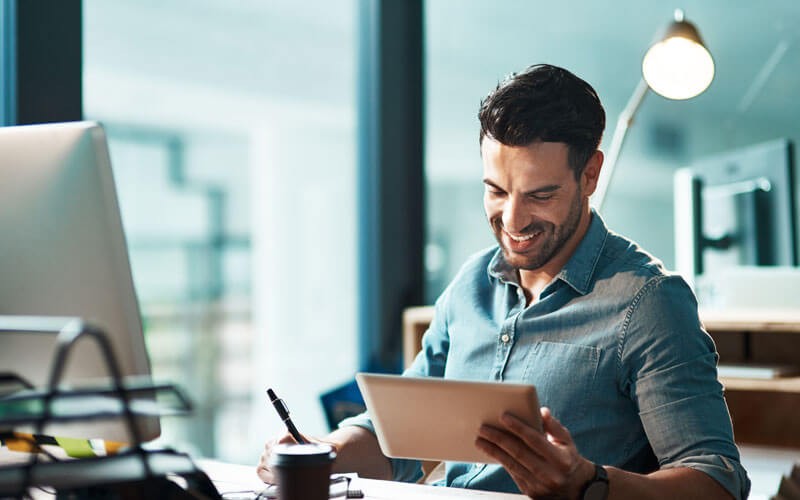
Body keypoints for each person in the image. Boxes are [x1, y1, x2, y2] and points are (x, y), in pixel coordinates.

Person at [257, 64, 750, 500]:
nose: (512, 220)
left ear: (590, 174)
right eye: (496, 190)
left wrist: (588, 485)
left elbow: (717, 483)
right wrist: (322, 453)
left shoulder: (648, 304)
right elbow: (397, 438)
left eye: (540, 195)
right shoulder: (471, 284)